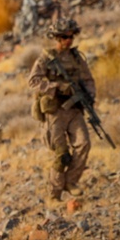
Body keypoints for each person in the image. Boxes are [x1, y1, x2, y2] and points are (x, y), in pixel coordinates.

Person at [28, 17, 96, 202]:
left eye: (71, 36)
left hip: (74, 110)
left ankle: (71, 181)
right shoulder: (46, 58)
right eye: (65, 36)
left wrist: (89, 96)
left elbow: (88, 80)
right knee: (62, 155)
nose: (69, 40)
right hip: (55, 111)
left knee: (84, 144)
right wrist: (57, 87)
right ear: (57, 38)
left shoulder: (77, 58)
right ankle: (54, 194)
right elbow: (33, 82)